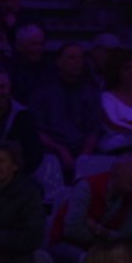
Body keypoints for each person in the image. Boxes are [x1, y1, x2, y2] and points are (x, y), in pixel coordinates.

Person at [29, 42, 101, 181]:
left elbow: (94, 128)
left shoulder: (91, 90)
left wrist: (84, 155)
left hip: (84, 150)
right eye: (72, 58)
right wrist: (60, 150)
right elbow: (37, 130)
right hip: (51, 150)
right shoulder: (42, 91)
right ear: (59, 61)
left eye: (80, 58)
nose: (77, 62)